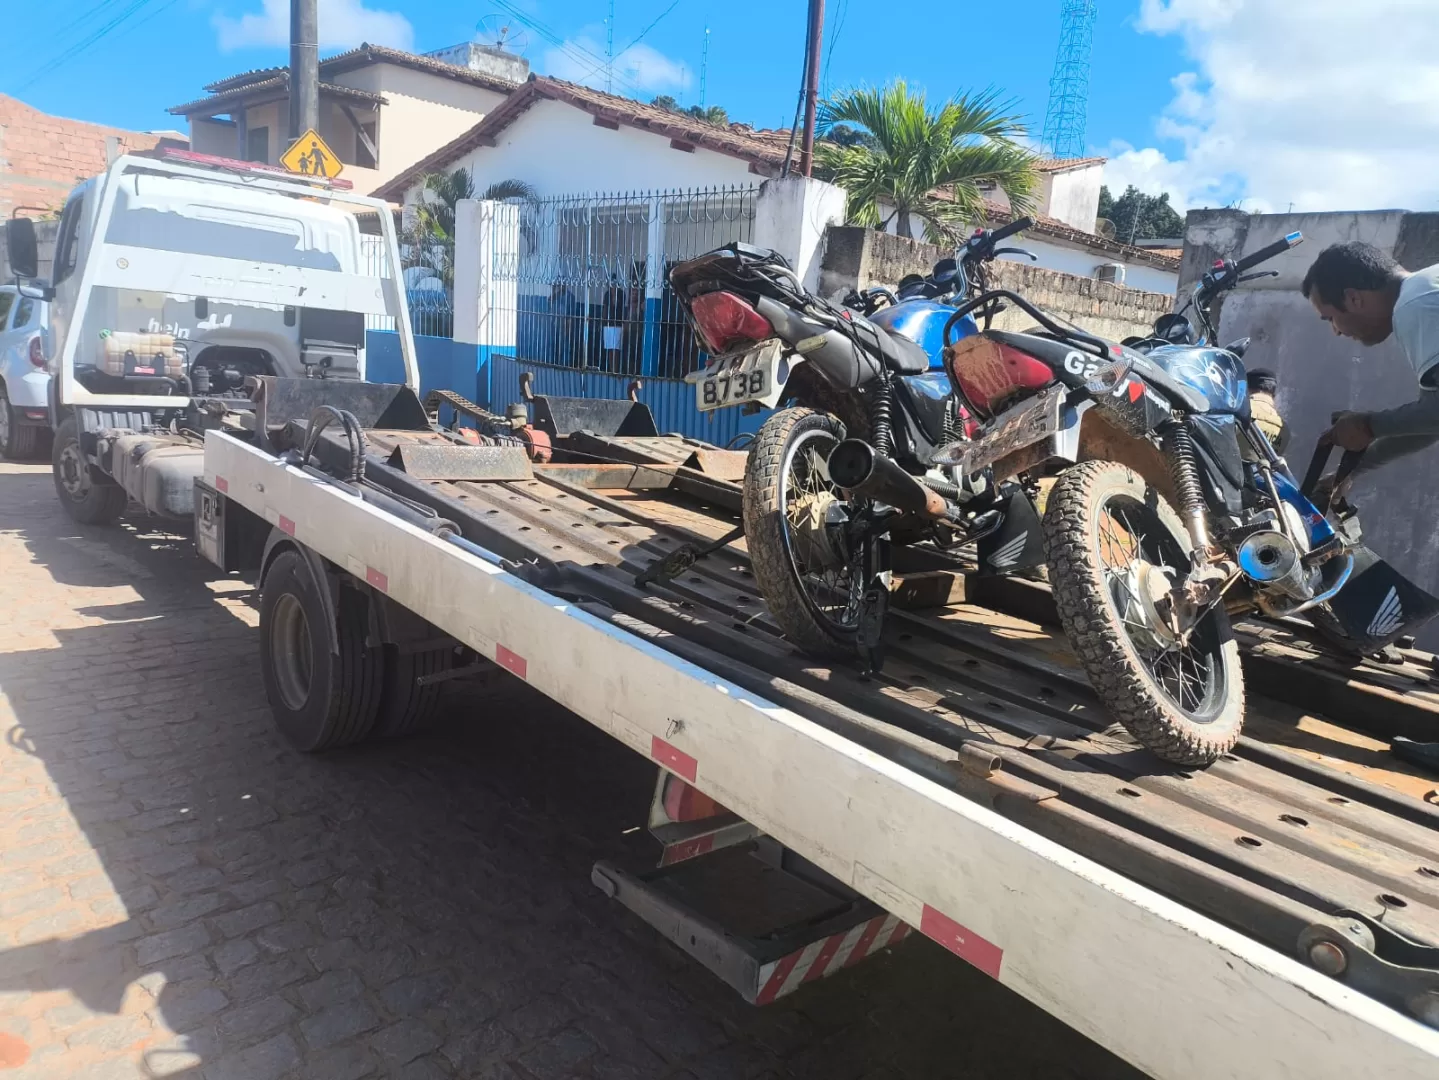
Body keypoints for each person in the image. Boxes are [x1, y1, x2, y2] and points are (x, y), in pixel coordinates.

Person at [1302, 241, 1439, 773]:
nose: (1336, 331)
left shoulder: (1417, 304)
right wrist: (1355, 468)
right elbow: (1431, 422)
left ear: (1355, 297)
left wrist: (1370, 423)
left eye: (1330, 317)